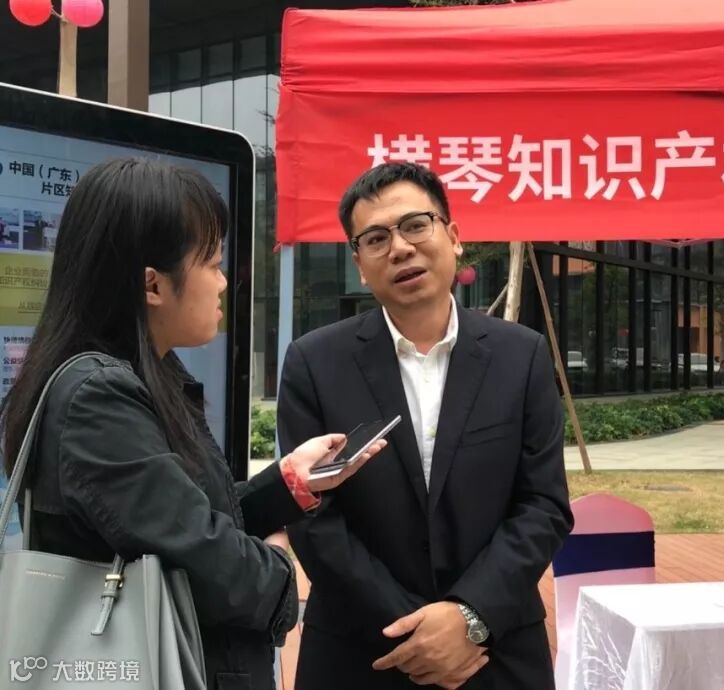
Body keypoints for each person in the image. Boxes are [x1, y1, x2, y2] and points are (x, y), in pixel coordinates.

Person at [0, 158, 386, 690]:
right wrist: (280, 570)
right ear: (153, 285)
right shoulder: (98, 397)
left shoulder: (140, 376)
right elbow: (206, 559)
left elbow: (184, 519)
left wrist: (289, 484)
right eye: (212, 263)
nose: (224, 282)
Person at [278, 162, 573, 689]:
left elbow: (543, 505)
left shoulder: (521, 355)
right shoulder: (314, 363)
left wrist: (469, 618)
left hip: (494, 651)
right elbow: (312, 517)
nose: (400, 248)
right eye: (376, 239)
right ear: (359, 264)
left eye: (416, 225)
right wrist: (416, 634)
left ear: (453, 237)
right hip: (362, 655)